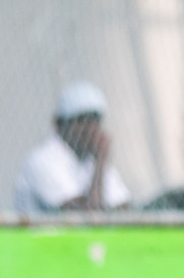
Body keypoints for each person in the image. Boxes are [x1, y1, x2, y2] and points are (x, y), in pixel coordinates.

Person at [13, 81, 130, 213]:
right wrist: (100, 162)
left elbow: (124, 207)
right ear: (60, 125)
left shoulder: (92, 158)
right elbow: (87, 215)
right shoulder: (43, 160)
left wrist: (100, 162)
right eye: (82, 120)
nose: (91, 128)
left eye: (95, 120)